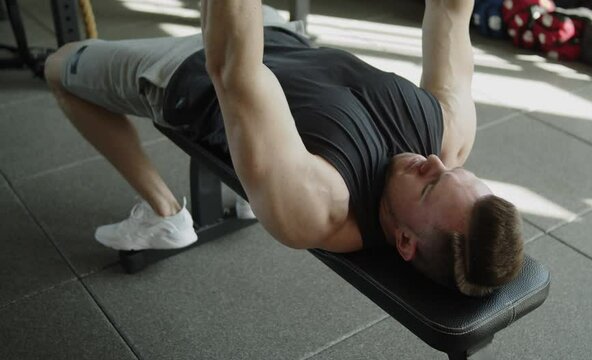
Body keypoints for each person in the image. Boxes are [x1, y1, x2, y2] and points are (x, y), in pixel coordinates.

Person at [44, 0, 523, 297]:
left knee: (59, 64)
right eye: (455, 170)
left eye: (429, 182)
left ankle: (165, 212)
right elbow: (450, 11)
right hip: (277, 32)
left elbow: (231, 66)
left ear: (404, 241)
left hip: (185, 71)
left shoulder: (318, 205)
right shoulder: (449, 134)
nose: (435, 160)